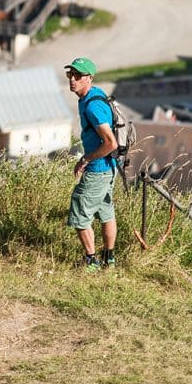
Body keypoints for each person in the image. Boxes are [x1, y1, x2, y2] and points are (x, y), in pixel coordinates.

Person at [65, 57, 118, 270]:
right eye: (70, 75)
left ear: (89, 78)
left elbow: (110, 143)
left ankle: (91, 261)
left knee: (79, 214)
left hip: (98, 169)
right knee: (106, 212)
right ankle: (109, 259)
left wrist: (85, 159)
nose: (72, 79)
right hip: (109, 169)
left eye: (78, 76)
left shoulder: (93, 106)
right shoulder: (94, 95)